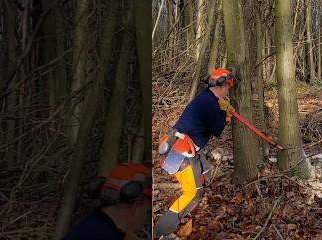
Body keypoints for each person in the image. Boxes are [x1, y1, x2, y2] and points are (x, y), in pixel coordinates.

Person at [155, 67, 237, 237]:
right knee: (193, 193)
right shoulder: (209, 104)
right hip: (181, 151)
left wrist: (221, 109)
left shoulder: (206, 98)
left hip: (183, 147)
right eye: (228, 87)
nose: (228, 90)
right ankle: (163, 232)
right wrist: (226, 115)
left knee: (205, 172)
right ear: (221, 85)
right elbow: (217, 129)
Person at [63, 162, 152, 240]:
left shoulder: (95, 224)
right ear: (135, 207)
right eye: (146, 211)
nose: (145, 219)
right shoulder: (104, 235)